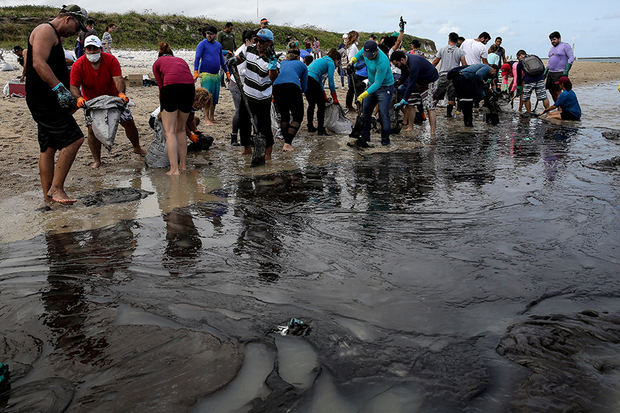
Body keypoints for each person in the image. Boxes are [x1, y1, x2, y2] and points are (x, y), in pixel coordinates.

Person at [26, 4, 87, 205]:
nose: (76, 32)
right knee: (74, 139)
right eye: (77, 27)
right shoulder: (45, 30)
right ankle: (57, 188)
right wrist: (59, 89)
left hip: (44, 98)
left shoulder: (52, 34)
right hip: (44, 99)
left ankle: (48, 198)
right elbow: (38, 63)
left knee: (48, 147)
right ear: (68, 18)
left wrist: (70, 95)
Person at [70, 35, 145, 168]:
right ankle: (97, 160)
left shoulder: (110, 59)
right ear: (84, 49)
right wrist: (78, 98)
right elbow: (74, 86)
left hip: (113, 98)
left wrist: (121, 93)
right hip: (92, 102)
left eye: (95, 48)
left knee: (128, 122)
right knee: (92, 131)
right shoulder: (78, 64)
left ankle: (136, 147)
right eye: (89, 49)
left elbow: (118, 79)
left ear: (100, 48)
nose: (92, 51)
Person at [235, 28, 279, 163]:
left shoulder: (273, 59)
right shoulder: (250, 49)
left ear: (269, 43)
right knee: (243, 121)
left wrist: (272, 65)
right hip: (247, 94)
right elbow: (239, 58)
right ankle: (247, 149)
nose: (259, 44)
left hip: (262, 98)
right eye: (257, 40)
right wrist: (233, 60)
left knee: (264, 126)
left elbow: (273, 78)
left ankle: (267, 155)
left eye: (262, 42)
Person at [152, 42, 196, 175]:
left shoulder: (157, 63)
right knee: (181, 129)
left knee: (170, 131)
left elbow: (161, 88)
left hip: (170, 88)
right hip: (189, 88)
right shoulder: (181, 60)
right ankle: (183, 166)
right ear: (172, 54)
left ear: (159, 55)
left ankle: (174, 170)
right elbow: (188, 77)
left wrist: (162, 109)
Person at [349, 40, 395, 146]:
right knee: (366, 112)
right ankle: (365, 137)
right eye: (366, 54)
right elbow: (358, 56)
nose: (367, 57)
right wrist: (352, 62)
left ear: (376, 52)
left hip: (384, 87)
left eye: (370, 55)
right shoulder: (365, 50)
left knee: (383, 115)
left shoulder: (382, 61)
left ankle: (385, 142)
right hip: (371, 84)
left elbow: (378, 83)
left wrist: (364, 94)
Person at [391, 51, 440, 134]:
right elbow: (404, 75)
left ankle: (432, 132)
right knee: (410, 103)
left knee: (429, 106)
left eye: (397, 65)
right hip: (419, 81)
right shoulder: (404, 62)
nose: (397, 67)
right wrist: (399, 82)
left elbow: (411, 84)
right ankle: (410, 127)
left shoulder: (414, 64)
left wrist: (403, 100)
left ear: (402, 60)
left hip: (431, 81)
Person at [273, 47, 308, 151]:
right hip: (292, 87)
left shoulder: (283, 63)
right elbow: (304, 86)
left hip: (277, 87)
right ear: (298, 57)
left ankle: (285, 140)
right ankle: (287, 143)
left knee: (284, 116)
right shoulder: (302, 65)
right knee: (298, 116)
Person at [194, 25, 229, 125]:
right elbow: (197, 58)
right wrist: (195, 72)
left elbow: (222, 60)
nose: (209, 36)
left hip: (216, 75)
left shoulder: (218, 45)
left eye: (211, 34)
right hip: (206, 74)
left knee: (214, 98)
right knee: (206, 97)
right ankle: (206, 119)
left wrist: (227, 72)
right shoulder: (202, 44)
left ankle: (212, 117)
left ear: (215, 35)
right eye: (207, 33)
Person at [305, 48, 341, 135]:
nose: (337, 64)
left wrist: (324, 94)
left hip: (305, 79)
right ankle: (321, 129)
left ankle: (310, 126)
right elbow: (331, 82)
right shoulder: (330, 63)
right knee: (321, 105)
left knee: (311, 104)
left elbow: (320, 80)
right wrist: (335, 98)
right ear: (335, 59)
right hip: (313, 80)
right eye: (338, 62)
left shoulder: (321, 59)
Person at [431, 32, 467, 118]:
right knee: (451, 96)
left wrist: (429, 69)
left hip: (443, 75)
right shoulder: (460, 51)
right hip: (454, 76)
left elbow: (436, 61)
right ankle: (448, 114)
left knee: (437, 95)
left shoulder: (442, 49)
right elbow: (464, 65)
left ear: (449, 39)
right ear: (457, 41)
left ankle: (431, 110)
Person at [229, 29, 254, 146]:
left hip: (247, 84)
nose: (256, 43)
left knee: (250, 111)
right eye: (254, 40)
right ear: (247, 40)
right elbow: (239, 70)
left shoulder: (251, 50)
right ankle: (234, 137)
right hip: (237, 84)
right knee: (239, 111)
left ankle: (249, 137)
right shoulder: (241, 51)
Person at [515, 49, 550, 114]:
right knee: (544, 97)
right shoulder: (535, 57)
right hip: (540, 79)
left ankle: (529, 112)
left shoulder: (520, 63)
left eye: (517, 58)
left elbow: (519, 77)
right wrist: (542, 78)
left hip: (529, 81)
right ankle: (548, 112)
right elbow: (543, 68)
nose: (518, 59)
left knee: (526, 98)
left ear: (519, 56)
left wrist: (519, 87)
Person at [546, 31, 575, 102]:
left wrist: (566, 70)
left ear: (559, 38)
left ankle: (561, 109)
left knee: (558, 92)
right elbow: (550, 61)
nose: (553, 41)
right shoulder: (551, 49)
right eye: (551, 40)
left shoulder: (565, 46)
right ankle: (557, 106)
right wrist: (545, 71)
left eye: (554, 39)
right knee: (551, 91)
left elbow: (571, 58)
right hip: (550, 73)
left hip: (560, 72)